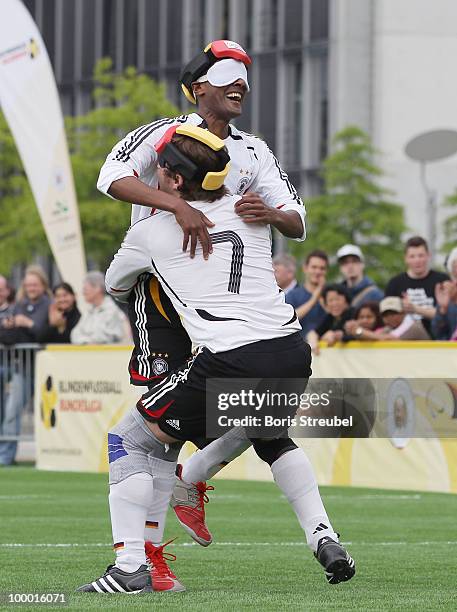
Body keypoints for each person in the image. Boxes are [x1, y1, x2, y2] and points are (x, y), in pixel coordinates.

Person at [78, 127, 354, 594]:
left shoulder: (148, 230)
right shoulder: (253, 211)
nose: (154, 173)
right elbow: (290, 221)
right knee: (267, 432)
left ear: (176, 182)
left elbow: (115, 286)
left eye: (161, 168)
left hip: (230, 356)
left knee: (129, 440)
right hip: (291, 350)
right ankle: (320, 534)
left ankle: (129, 568)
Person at [95, 39, 309, 584]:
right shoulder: (161, 134)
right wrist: (176, 206)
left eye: (244, 77)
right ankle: (151, 555)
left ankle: (158, 533)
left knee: (220, 419)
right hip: (164, 295)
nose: (240, 85)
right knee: (158, 424)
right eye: (227, 76)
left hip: (232, 306)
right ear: (198, 89)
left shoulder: (255, 150)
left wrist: (275, 216)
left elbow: (297, 219)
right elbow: (109, 178)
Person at [0, 266, 51, 466]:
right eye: (28, 284)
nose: (31, 287)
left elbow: (43, 334)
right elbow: (8, 335)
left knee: (44, 411)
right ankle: (6, 456)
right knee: (11, 410)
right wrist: (22, 328)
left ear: (42, 285)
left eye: (35, 284)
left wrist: (26, 325)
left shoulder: (49, 304)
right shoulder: (19, 305)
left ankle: (48, 454)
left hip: (41, 368)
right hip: (21, 365)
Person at [385, 236, 449, 336]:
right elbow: (386, 317)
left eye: (421, 255)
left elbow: (447, 314)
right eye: (412, 256)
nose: (417, 260)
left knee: (416, 327)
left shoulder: (442, 280)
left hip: (433, 336)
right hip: (400, 336)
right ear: (405, 258)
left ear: (428, 256)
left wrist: (416, 309)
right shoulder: (395, 283)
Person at [70, 272, 129, 345]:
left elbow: (108, 337)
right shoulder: (88, 312)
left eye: (85, 289)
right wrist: (88, 341)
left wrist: (85, 340)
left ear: (98, 288)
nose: (83, 292)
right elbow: (75, 334)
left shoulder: (112, 311)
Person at [286, 250, 328, 338]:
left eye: (322, 268)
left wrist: (322, 297)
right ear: (305, 268)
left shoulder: (331, 294)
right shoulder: (293, 295)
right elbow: (288, 320)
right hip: (299, 349)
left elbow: (336, 319)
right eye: (314, 267)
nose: (318, 272)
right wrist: (314, 299)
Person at [350, 297, 430, 341]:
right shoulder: (389, 328)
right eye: (386, 315)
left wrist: (358, 331)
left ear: (403, 313)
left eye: (394, 313)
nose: (390, 318)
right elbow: (377, 337)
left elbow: (390, 339)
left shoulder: (414, 327)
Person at [306, 284, 354, 353]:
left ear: (346, 300)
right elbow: (313, 333)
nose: (334, 303)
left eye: (337, 299)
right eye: (330, 300)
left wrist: (332, 335)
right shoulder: (330, 317)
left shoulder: (354, 314)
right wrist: (313, 343)